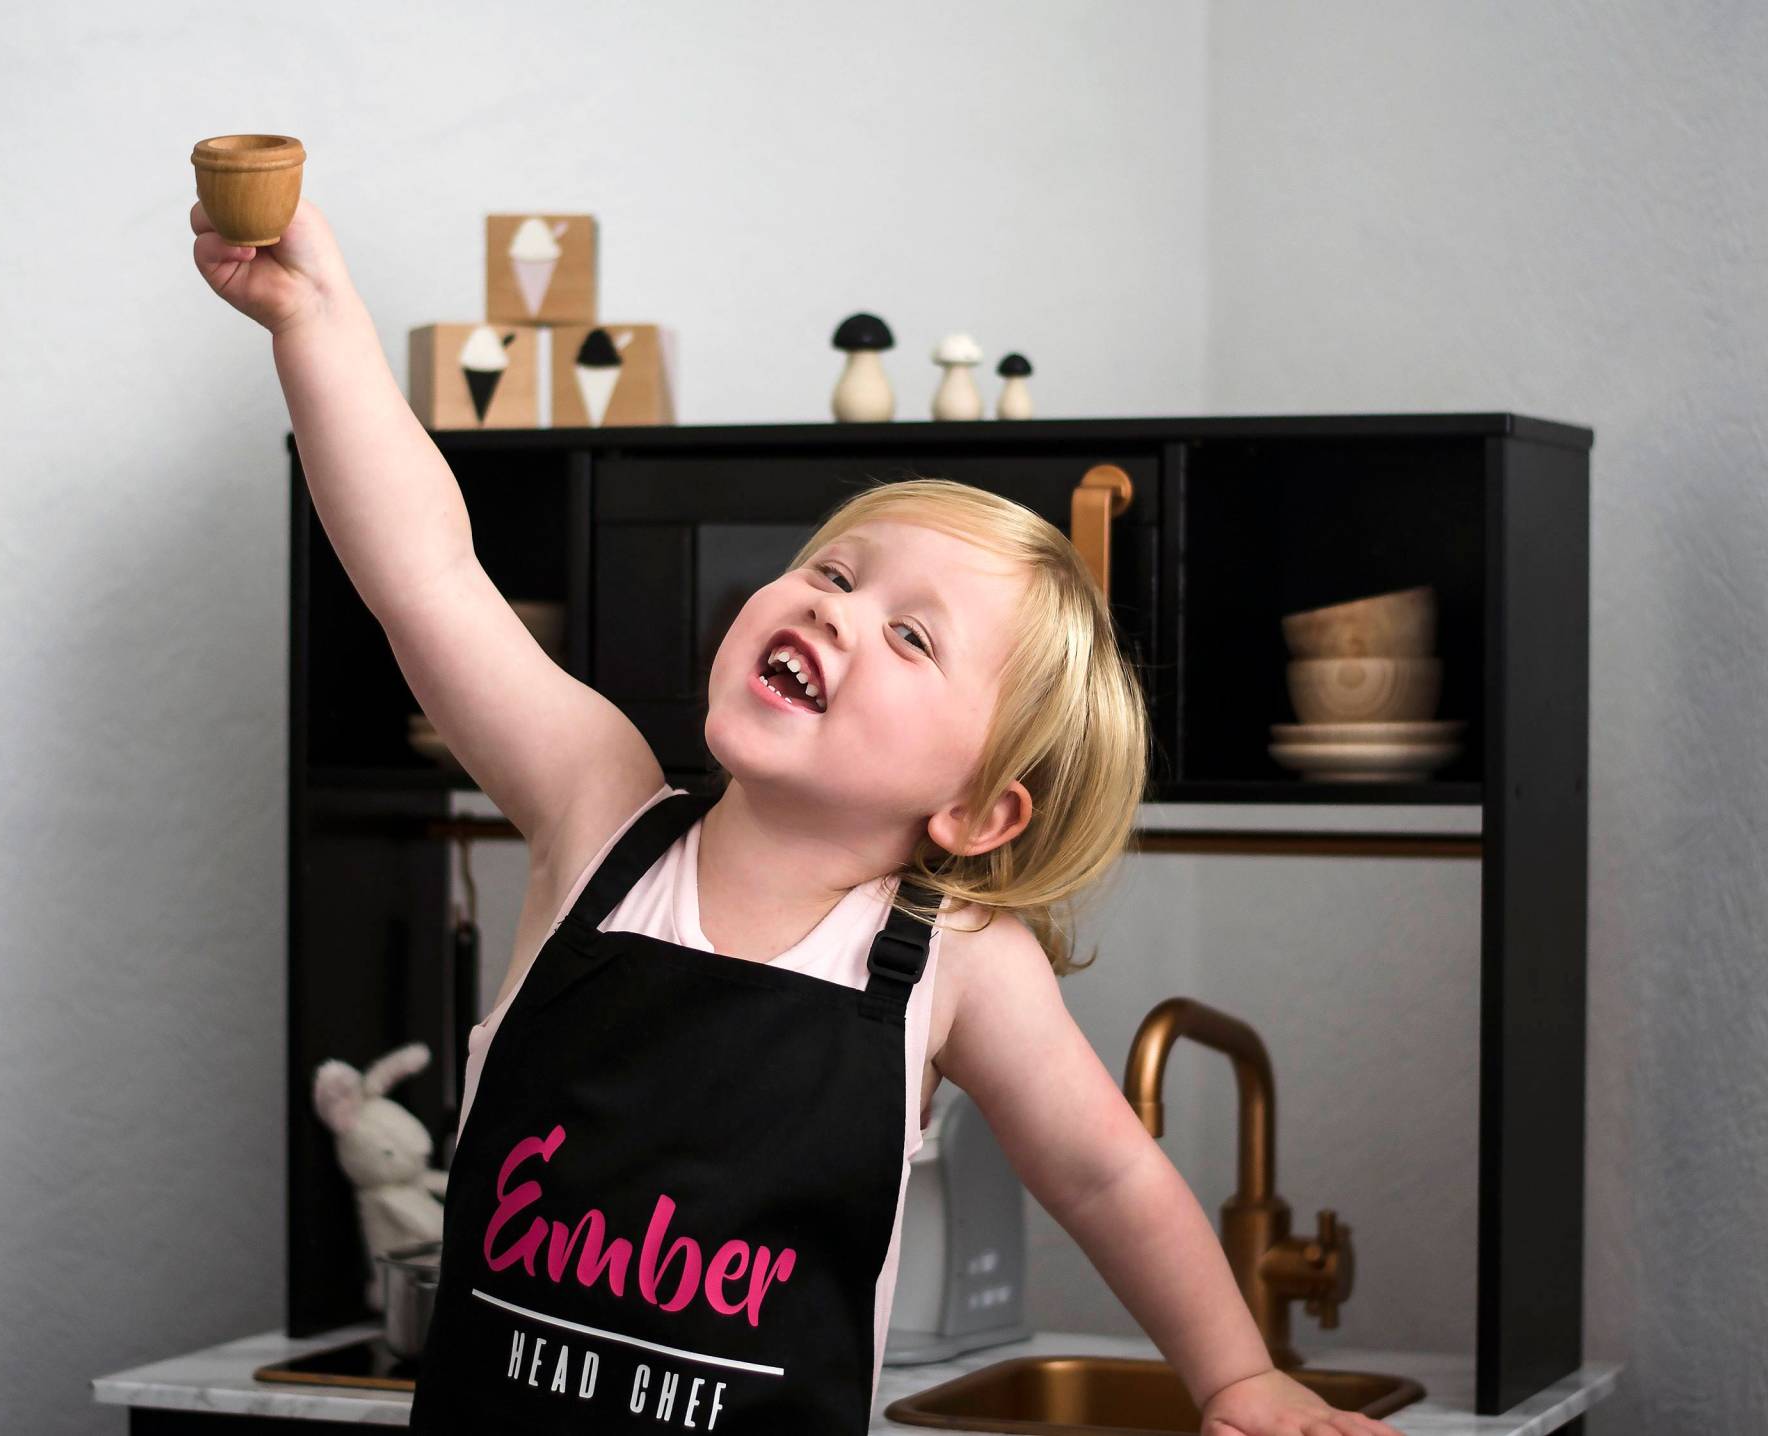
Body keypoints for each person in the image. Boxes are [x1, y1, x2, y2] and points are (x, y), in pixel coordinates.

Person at [191, 196, 1405, 1436]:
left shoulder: (957, 960)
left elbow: (1105, 1174)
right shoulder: (597, 806)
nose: (836, 609)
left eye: (912, 635)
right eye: (833, 570)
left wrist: (1238, 1377)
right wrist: (317, 320)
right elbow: (429, 575)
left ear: (977, 809)